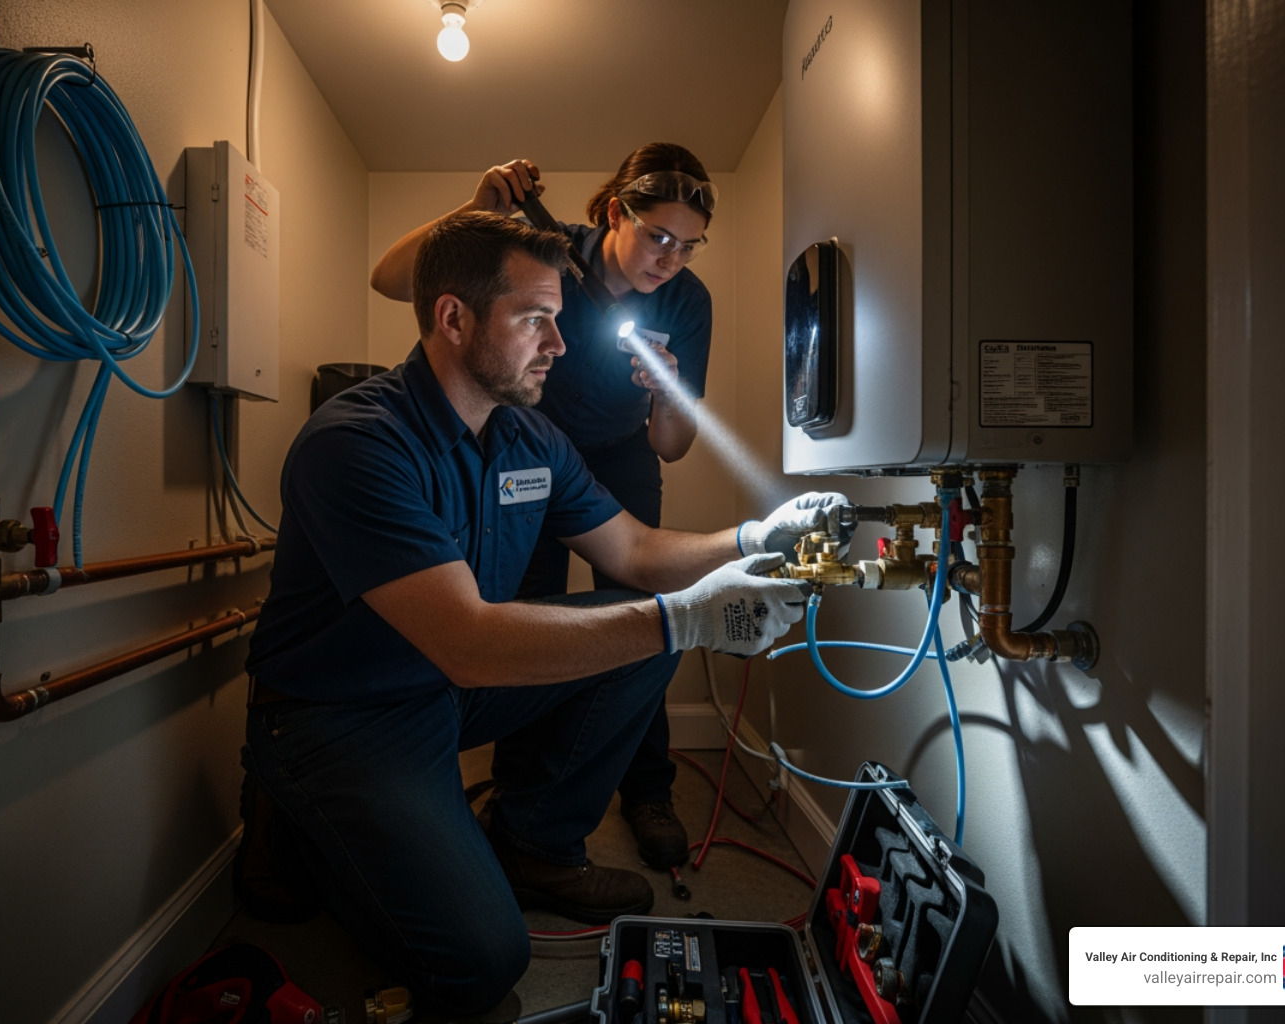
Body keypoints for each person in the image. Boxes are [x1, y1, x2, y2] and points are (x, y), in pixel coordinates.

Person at [243, 210, 845, 1014]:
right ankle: (297, 822)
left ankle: (534, 846)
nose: (559, 346)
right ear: (453, 318)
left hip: (442, 688)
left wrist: (750, 536)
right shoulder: (357, 443)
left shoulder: (528, 437)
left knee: (642, 631)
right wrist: (690, 618)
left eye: (558, 321)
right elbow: (470, 641)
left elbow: (631, 551)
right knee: (485, 959)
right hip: (339, 714)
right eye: (535, 320)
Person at [370, 144, 716, 869]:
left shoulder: (688, 301)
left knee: (644, 611)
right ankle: (522, 794)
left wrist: (667, 393)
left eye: (688, 247)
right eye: (659, 237)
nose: (670, 260)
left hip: (622, 454)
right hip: (529, 443)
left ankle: (648, 789)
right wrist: (477, 211)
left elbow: (674, 444)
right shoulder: (548, 248)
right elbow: (389, 278)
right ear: (617, 211)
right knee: (533, 605)